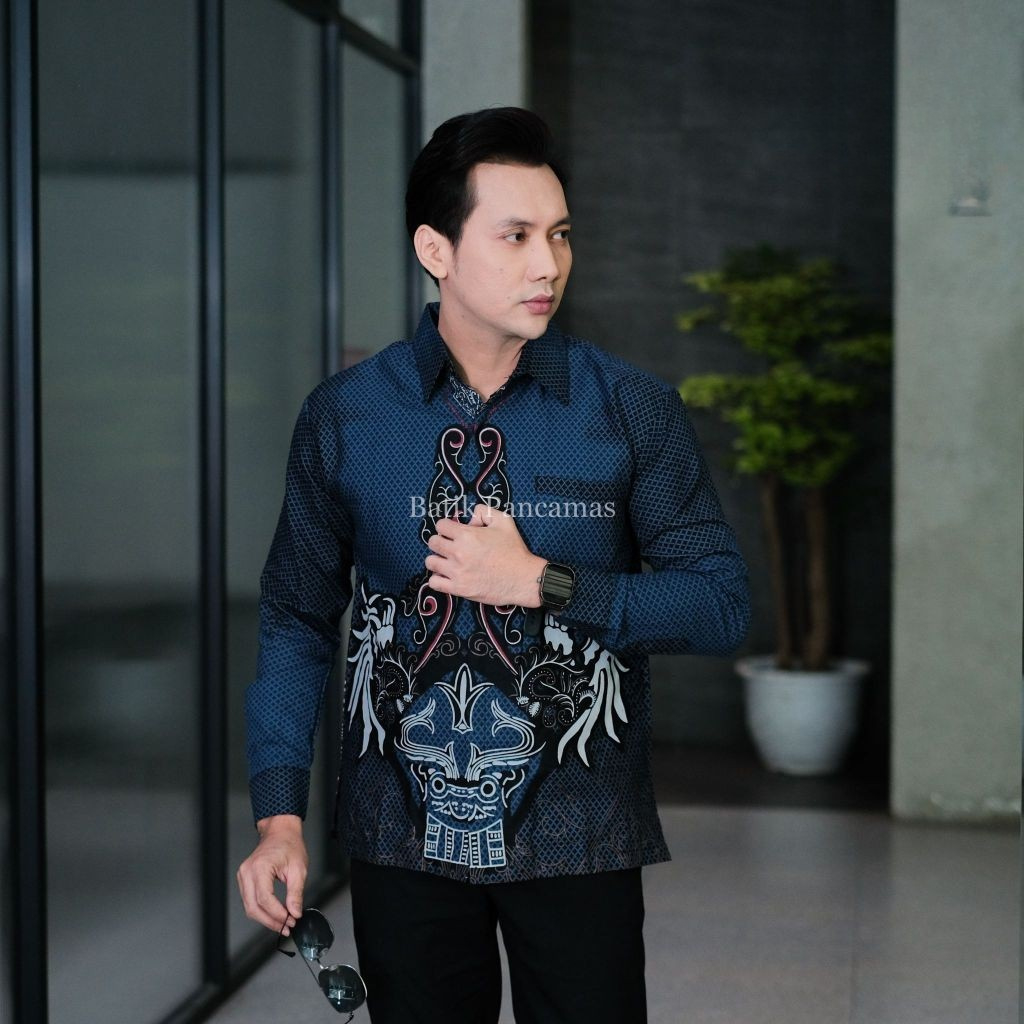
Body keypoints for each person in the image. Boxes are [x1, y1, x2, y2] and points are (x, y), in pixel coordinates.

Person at [237, 106, 750, 1023]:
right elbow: (295, 617)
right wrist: (279, 816)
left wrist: (542, 583)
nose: (548, 263)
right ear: (435, 250)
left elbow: (720, 605)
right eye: (515, 236)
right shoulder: (347, 417)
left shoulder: (631, 409)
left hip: (580, 833)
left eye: (560, 234)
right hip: (401, 835)